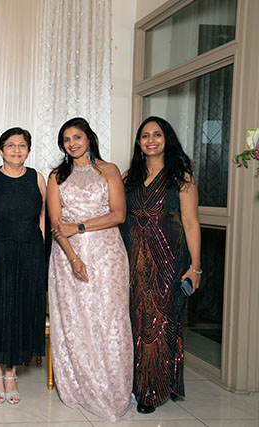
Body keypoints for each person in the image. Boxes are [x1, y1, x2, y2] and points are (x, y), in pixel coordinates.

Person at [47, 117, 134, 421]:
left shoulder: (108, 170)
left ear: (89, 138)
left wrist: (80, 227)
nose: (72, 143)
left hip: (107, 254)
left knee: (109, 319)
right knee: (76, 320)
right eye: (66, 139)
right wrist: (73, 258)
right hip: (67, 257)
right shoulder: (57, 176)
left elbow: (119, 215)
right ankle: (80, 386)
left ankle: (113, 389)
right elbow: (56, 223)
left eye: (77, 137)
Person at [122, 116, 201, 414]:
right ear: (139, 142)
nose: (151, 140)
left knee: (161, 321)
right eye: (145, 135)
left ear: (167, 139)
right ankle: (134, 383)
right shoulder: (129, 176)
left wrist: (195, 267)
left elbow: (191, 223)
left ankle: (152, 390)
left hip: (169, 258)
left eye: (157, 134)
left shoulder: (181, 177)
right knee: (135, 320)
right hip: (134, 258)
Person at [0, 127, 47, 405]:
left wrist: (41, 254)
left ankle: (11, 373)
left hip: (29, 252)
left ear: (29, 150)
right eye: (10, 145)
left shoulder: (37, 178)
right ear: (1, 150)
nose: (16, 150)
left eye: (22, 145)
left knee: (20, 310)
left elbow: (43, 217)